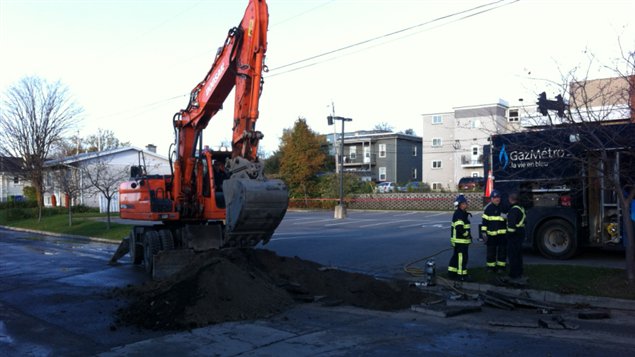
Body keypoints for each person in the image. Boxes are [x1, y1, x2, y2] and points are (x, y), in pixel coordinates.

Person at [481, 190, 507, 273]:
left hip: (502, 235)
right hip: (491, 235)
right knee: (491, 252)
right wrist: (484, 233)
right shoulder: (488, 209)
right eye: (495, 197)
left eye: (498, 197)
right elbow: (484, 222)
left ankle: (501, 267)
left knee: (502, 251)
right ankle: (490, 267)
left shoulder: (504, 207)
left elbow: (508, 220)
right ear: (491, 199)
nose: (497, 199)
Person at [448, 194, 472, 281]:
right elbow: (459, 228)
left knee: (456, 257)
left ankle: (452, 273)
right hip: (460, 241)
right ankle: (461, 276)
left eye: (466, 203)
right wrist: (467, 235)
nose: (466, 204)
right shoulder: (459, 214)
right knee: (462, 258)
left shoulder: (462, 213)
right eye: (464, 203)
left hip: (461, 241)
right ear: (460, 204)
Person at [506, 193, 526, 281]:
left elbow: (511, 226)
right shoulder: (520, 208)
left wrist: (507, 236)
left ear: (510, 199)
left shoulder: (513, 210)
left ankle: (513, 274)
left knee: (513, 256)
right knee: (518, 256)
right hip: (520, 234)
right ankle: (519, 272)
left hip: (514, 236)